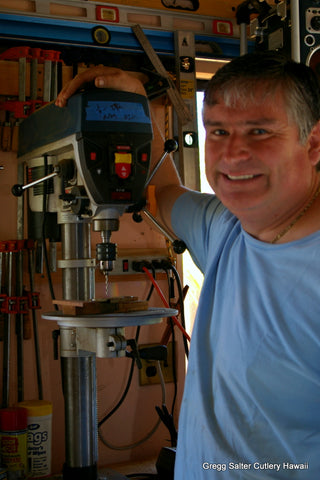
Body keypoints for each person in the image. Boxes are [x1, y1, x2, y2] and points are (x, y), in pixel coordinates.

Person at [56, 52, 320, 478]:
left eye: (259, 131)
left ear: (312, 143)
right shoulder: (224, 226)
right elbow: (164, 186)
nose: (233, 154)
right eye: (218, 131)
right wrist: (139, 104)